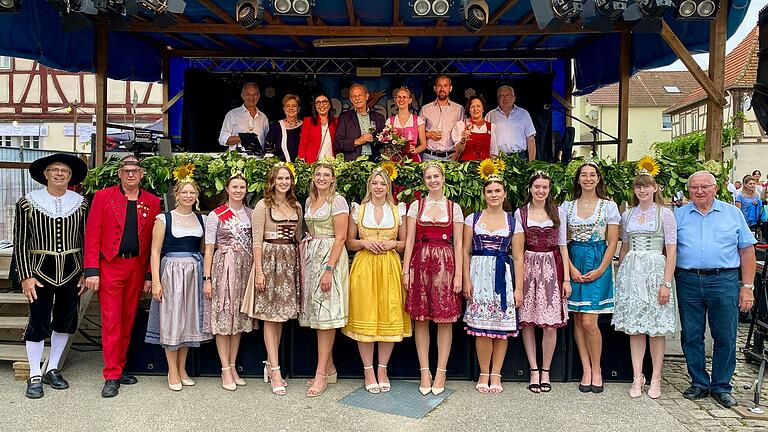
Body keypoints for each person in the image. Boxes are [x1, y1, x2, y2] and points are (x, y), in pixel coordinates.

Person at [675, 170, 756, 408]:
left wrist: (747, 287)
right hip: (688, 280)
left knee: (726, 336)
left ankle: (721, 385)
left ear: (715, 188)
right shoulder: (678, 215)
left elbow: (747, 251)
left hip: (724, 280)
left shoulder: (733, 214)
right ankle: (699, 382)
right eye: (694, 188)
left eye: (704, 187)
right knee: (691, 335)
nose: (699, 191)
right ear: (688, 190)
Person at [84, 155, 162, 398]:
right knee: (111, 321)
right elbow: (92, 234)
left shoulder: (152, 201)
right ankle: (111, 374)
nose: (130, 174)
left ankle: (120, 367)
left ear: (141, 174)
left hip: (137, 268)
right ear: (119, 174)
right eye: (126, 171)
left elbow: (152, 243)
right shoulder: (103, 197)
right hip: (110, 266)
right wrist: (92, 271)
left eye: (135, 171)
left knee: (128, 320)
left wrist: (150, 274)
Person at [14, 153, 89, 399]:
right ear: (45, 174)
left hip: (72, 269)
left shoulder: (80, 203)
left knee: (65, 320)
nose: (59, 174)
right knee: (38, 322)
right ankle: (35, 373)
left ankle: (53, 368)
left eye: (64, 171)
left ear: (70, 176)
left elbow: (87, 239)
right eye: (55, 170)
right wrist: (25, 276)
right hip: (39, 271)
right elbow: (21, 242)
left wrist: (85, 272)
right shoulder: (28, 202)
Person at [343, 168, 411, 393]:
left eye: (383, 183)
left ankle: (382, 368)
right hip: (364, 266)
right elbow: (350, 242)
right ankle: (368, 369)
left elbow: (404, 244)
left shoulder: (397, 210)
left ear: (388, 187)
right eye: (375, 183)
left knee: (388, 316)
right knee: (366, 315)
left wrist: (392, 244)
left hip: (389, 266)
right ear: (369, 186)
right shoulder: (359, 210)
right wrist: (364, 243)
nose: (379, 187)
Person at [612, 172, 677, 399]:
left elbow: (671, 250)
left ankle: (656, 377)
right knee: (635, 326)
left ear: (655, 188)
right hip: (632, 271)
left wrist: (666, 283)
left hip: (655, 271)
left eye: (646, 187)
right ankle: (637, 376)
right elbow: (625, 247)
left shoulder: (664, 214)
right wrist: (620, 275)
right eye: (639, 187)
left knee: (656, 328)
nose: (642, 191)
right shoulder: (628, 214)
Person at [402, 161, 464, 396]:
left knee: (444, 320)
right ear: (424, 181)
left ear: (443, 178)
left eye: (436, 176)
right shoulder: (416, 206)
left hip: (445, 266)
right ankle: (424, 370)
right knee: (421, 319)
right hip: (420, 263)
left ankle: (441, 371)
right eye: (428, 177)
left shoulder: (453, 207)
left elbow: (457, 243)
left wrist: (458, 274)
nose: (433, 180)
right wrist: (405, 270)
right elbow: (409, 240)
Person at [241, 163, 302, 396]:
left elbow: (297, 238)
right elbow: (256, 241)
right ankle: (275, 370)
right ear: (272, 182)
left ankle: (271, 363)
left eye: (287, 178)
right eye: (280, 179)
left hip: (288, 261)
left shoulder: (296, 205)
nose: (284, 182)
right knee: (270, 317)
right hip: (268, 259)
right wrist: (259, 271)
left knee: (281, 316)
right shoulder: (262, 206)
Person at [145, 179, 211, 391]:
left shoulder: (202, 220)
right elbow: (155, 252)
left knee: (188, 321)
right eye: (185, 192)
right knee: (172, 320)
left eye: (192, 192)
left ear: (196, 196)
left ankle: (182, 368)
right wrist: (156, 281)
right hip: (171, 272)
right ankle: (171, 370)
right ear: (177, 194)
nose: (188, 196)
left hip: (193, 272)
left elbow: (203, 250)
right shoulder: (164, 219)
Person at [561, 161, 620, 394]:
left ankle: (597, 369)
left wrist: (602, 269)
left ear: (598, 179)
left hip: (598, 259)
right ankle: (586, 369)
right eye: (583, 175)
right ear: (578, 179)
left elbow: (613, 241)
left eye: (592, 175)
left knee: (590, 321)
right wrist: (570, 268)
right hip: (574, 258)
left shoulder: (609, 206)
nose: (588, 178)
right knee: (577, 319)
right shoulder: (567, 206)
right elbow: (563, 241)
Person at [513, 171, 570, 394]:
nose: (540, 191)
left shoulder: (558, 212)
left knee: (549, 323)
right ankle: (533, 368)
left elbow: (563, 245)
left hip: (551, 267)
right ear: (530, 188)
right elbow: (517, 248)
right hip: (528, 266)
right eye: (537, 187)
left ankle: (545, 369)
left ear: (549, 189)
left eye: (544, 187)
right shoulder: (520, 213)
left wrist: (565, 277)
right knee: (527, 320)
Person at [462, 175, 517, 395]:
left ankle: (497, 373)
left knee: (500, 327)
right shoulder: (472, 219)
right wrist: (466, 279)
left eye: (497, 191)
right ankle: (484, 372)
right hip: (479, 272)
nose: (493, 195)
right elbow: (465, 251)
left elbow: (519, 256)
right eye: (489, 191)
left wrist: (518, 288)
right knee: (482, 328)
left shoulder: (513, 221)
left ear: (504, 194)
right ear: (484, 195)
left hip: (502, 275)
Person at [299, 162, 350, 397]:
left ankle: (321, 375)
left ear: (332, 179)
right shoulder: (310, 201)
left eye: (326, 175)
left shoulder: (337, 201)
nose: (321, 178)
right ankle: (329, 369)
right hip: (312, 256)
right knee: (318, 315)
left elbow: (340, 238)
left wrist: (329, 269)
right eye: (318, 174)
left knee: (326, 317)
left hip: (330, 257)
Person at [203, 172, 255, 392]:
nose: (238, 191)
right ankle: (224, 368)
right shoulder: (216, 215)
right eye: (234, 187)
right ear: (227, 189)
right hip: (223, 268)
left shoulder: (251, 214)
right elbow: (208, 248)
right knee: (224, 319)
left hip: (244, 269)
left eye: (242, 187)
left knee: (238, 320)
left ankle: (233, 366)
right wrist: (207, 279)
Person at [334, 83, 385, 161]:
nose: (357, 99)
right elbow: (338, 144)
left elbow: (383, 142)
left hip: (375, 161)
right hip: (353, 162)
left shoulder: (379, 117)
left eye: (360, 95)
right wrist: (357, 141)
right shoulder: (344, 117)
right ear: (351, 99)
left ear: (366, 96)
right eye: (354, 96)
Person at [485, 85, 536, 161]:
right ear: (498, 99)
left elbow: (531, 139)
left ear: (514, 98)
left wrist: (531, 163)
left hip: (520, 158)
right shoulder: (490, 115)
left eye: (508, 95)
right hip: (498, 158)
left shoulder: (524, 114)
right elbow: (485, 139)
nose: (505, 98)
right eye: (501, 95)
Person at [419, 75, 465, 161]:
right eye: (439, 86)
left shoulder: (459, 109)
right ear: (434, 88)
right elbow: (417, 132)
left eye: (445, 86)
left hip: (450, 157)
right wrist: (427, 134)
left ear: (450, 88)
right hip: (429, 156)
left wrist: (458, 153)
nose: (442, 89)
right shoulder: (425, 109)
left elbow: (462, 134)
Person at [218, 82, 269, 153]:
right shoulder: (232, 114)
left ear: (259, 96)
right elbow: (222, 140)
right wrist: (242, 138)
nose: (251, 97)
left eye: (254, 94)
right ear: (242, 96)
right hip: (237, 159)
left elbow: (267, 140)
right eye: (248, 94)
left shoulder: (263, 117)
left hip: (258, 160)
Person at [451, 95, 497, 161]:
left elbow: (494, 153)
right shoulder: (461, 125)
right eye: (472, 107)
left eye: (478, 106)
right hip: (465, 167)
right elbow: (458, 150)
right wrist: (463, 140)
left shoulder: (491, 127)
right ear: (469, 110)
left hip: (484, 168)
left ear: (483, 109)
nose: (475, 109)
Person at [388, 87, 426, 162]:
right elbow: (387, 144)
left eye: (404, 97)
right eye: (399, 97)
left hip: (412, 159)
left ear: (410, 100)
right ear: (395, 100)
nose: (401, 99)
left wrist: (415, 150)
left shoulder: (418, 120)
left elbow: (423, 145)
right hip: (395, 160)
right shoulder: (389, 121)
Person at [298, 92, 338, 164]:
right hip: (313, 162)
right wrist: (301, 159)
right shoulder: (308, 121)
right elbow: (303, 142)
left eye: (324, 102)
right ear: (315, 106)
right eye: (318, 102)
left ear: (330, 105)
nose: (321, 105)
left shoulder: (337, 122)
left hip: (332, 162)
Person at [265, 94, 302, 162]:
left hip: (302, 167)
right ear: (284, 109)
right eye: (287, 106)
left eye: (294, 106)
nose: (291, 108)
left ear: (298, 109)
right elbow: (268, 146)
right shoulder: (277, 126)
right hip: (282, 169)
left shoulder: (305, 126)